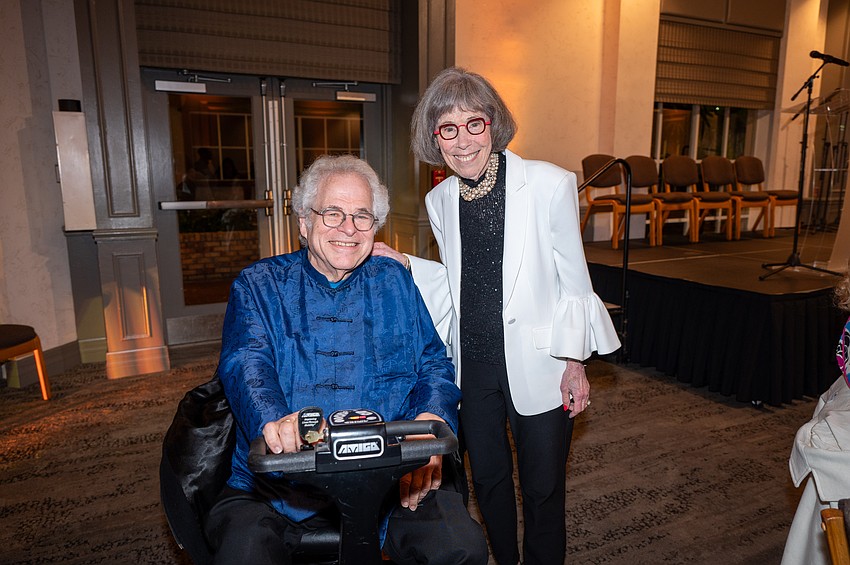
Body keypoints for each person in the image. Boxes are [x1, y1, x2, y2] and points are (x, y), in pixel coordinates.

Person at [373, 67, 621, 565]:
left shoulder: (549, 184)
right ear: (434, 138)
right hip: (476, 366)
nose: (463, 141)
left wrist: (575, 363)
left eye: (474, 124)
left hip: (544, 361)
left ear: (493, 124)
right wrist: (405, 262)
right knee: (487, 483)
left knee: (543, 488)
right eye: (448, 128)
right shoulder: (439, 199)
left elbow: (575, 282)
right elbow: (456, 281)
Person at [205, 154, 488, 565]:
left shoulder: (394, 280)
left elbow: (433, 362)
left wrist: (433, 417)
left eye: (362, 217)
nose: (348, 230)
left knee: (461, 547)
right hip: (280, 490)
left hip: (391, 482)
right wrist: (274, 420)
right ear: (304, 221)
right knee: (242, 554)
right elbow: (246, 362)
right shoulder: (259, 284)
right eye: (332, 213)